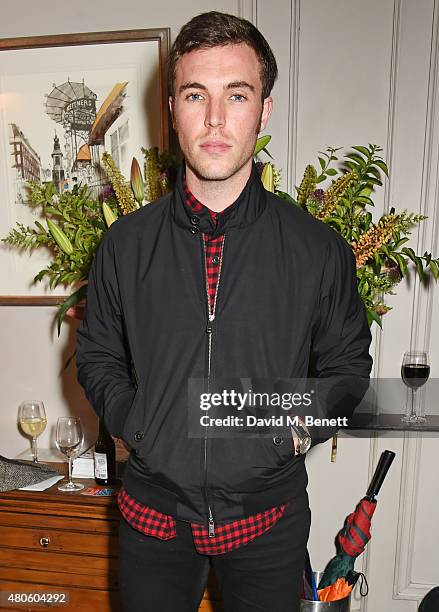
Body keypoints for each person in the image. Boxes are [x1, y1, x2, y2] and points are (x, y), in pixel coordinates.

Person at [76, 10, 373, 612]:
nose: (215, 119)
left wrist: (296, 429)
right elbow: (97, 353)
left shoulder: (318, 250)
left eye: (236, 95)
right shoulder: (125, 246)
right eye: (196, 95)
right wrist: (136, 424)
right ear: (172, 107)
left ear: (263, 109)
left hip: (267, 523)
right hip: (152, 521)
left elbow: (347, 367)